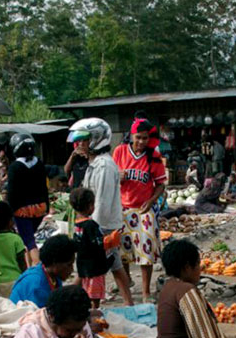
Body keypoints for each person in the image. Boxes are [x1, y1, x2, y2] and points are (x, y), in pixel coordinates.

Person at [78, 118, 134, 306]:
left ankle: (81, 300)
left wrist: (93, 228)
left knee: (92, 267)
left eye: (84, 140)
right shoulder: (96, 163)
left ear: (95, 139)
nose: (80, 144)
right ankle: (129, 303)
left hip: (103, 226)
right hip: (101, 225)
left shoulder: (104, 166)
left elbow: (101, 200)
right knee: (115, 266)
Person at [113, 119, 168, 302]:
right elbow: (111, 176)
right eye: (138, 138)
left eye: (145, 138)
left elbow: (160, 184)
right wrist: (117, 176)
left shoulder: (153, 156)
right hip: (123, 208)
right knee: (124, 250)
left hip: (144, 210)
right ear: (131, 136)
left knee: (146, 253)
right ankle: (127, 283)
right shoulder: (120, 151)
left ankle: (145, 292)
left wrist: (152, 200)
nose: (142, 142)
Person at [70, 187, 120, 309]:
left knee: (83, 283)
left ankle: (70, 296)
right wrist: (110, 240)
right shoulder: (91, 225)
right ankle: (94, 310)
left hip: (82, 262)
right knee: (94, 293)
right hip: (95, 266)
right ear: (90, 206)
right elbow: (98, 243)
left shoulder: (76, 224)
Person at [6, 133, 49, 268]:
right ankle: (28, 268)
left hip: (22, 210)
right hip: (40, 208)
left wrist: (9, 211)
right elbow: (44, 187)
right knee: (26, 239)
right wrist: (47, 206)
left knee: (29, 241)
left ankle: (37, 267)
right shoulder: (39, 163)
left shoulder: (14, 167)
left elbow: (12, 193)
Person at [9, 234, 77, 308]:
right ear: (55, 262)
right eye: (69, 265)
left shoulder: (53, 276)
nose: (72, 269)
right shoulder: (37, 285)